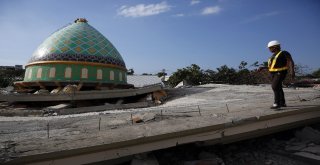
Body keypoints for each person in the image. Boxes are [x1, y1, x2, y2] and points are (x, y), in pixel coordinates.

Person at [266, 40, 295, 109]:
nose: (269, 49)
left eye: (270, 48)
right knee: (278, 87)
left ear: (275, 47)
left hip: (280, 72)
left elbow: (290, 61)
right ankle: (282, 103)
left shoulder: (284, 53)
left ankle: (277, 103)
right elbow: (273, 66)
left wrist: (292, 71)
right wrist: (263, 67)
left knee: (274, 86)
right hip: (273, 73)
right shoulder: (273, 56)